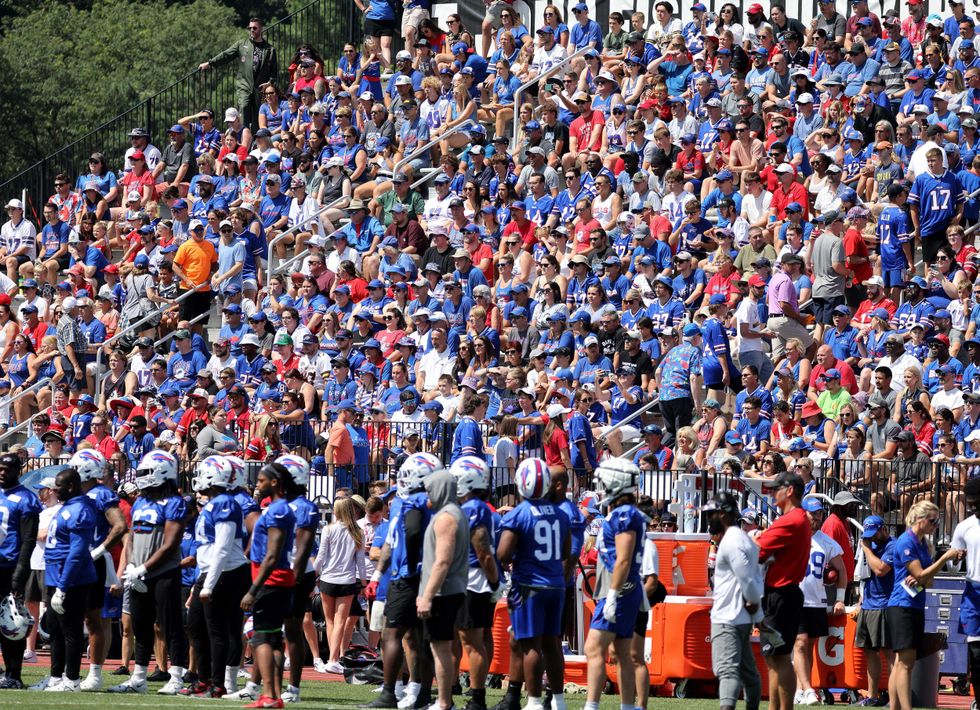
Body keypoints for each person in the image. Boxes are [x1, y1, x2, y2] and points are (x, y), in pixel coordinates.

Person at [361, 452, 440, 710]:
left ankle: (390, 694)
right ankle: (420, 693)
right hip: (413, 574)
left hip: (408, 576)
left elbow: (413, 533)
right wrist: (376, 575)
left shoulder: (413, 502)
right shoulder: (407, 502)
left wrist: (413, 569)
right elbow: (391, 542)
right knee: (417, 637)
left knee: (393, 634)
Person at [109, 451, 189, 695]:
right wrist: (133, 565)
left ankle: (176, 677)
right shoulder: (142, 501)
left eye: (145, 473)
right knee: (140, 626)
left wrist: (145, 567)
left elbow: (171, 543)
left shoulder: (174, 502)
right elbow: (132, 536)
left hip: (164, 573)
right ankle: (139, 677)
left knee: (170, 626)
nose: (141, 477)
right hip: (138, 574)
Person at [496, 458, 570, 710]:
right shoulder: (560, 513)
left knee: (530, 644)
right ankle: (559, 700)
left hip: (529, 584)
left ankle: (535, 700)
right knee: (552, 644)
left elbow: (504, 554)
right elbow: (567, 550)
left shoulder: (518, 514)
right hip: (555, 583)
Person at [583, 458, 645, 710]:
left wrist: (610, 595)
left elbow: (623, 559)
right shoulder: (624, 513)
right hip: (625, 590)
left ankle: (591, 706)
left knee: (594, 648)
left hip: (620, 590)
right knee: (621, 653)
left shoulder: (624, 515)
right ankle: (628, 707)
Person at [887, 501, 960, 710]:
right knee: (906, 662)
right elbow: (921, 575)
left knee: (902, 662)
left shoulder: (921, 544)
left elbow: (928, 581)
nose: (936, 525)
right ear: (920, 519)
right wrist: (944, 557)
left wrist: (923, 576)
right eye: (933, 520)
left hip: (914, 605)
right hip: (902, 605)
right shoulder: (906, 542)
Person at [188, 456, 250, 699]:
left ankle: (218, 683)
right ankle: (203, 679)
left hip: (226, 573)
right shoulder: (214, 503)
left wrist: (208, 585)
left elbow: (223, 548)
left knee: (217, 630)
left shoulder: (225, 503)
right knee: (195, 626)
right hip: (210, 572)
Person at [241, 462, 297, 710]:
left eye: (262, 480)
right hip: (275, 581)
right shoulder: (276, 508)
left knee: (261, 638)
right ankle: (273, 695)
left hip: (271, 582)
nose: (258, 484)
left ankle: (268, 694)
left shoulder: (278, 511)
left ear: (274, 483)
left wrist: (253, 590)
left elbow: (272, 555)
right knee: (273, 639)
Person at [73, 449, 128, 693]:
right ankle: (65, 674)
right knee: (74, 618)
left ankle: (94, 674)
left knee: (94, 618)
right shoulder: (79, 494)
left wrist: (99, 550)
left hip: (93, 562)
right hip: (76, 560)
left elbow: (119, 526)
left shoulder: (101, 493)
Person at [755, 471, 811, 710]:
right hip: (780, 594)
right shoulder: (794, 518)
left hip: (781, 594)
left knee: (778, 657)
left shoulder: (791, 519)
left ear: (789, 491)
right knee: (774, 657)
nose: (771, 492)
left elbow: (756, 550)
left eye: (776, 488)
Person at [704, 491, 763, 710]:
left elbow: (746, 578)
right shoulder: (742, 539)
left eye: (712, 514)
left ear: (723, 514)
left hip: (728, 615)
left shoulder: (732, 541)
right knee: (749, 673)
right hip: (740, 616)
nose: (709, 519)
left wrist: (752, 601)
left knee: (726, 670)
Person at [450, 456, 500, 710]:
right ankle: (460, 689)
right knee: (464, 638)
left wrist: (493, 580)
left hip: (472, 580)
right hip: (468, 578)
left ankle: (477, 696)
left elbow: (482, 549)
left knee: (472, 641)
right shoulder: (476, 507)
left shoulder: (474, 508)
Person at [42, 468, 98, 693]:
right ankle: (56, 677)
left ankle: (72, 679)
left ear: (72, 486)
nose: (55, 490)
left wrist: (63, 587)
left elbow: (76, 552)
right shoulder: (66, 508)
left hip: (71, 579)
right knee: (54, 628)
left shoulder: (80, 510)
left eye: (59, 486)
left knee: (71, 630)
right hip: (56, 574)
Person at [417, 470, 469, 710]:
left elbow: (442, 561)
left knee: (440, 649)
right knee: (440, 648)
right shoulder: (451, 514)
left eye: (430, 488)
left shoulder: (446, 518)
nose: (427, 493)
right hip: (448, 590)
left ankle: (444, 702)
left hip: (443, 593)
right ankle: (443, 701)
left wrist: (427, 596)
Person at [793, 497, 846, 706]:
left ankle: (800, 689)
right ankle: (807, 689)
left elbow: (841, 570)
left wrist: (840, 599)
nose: (817, 517)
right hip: (795, 599)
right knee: (800, 644)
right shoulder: (793, 536)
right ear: (803, 513)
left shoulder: (827, 542)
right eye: (813, 513)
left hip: (816, 600)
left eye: (819, 513)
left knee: (809, 647)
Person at [0, 453, 41, 689]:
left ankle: (14, 674)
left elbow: (28, 539)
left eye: (8, 469)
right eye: (0, 468)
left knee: (10, 622)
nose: (3, 473)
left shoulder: (26, 499)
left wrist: (20, 571)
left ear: (18, 470)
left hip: (10, 565)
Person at [199, 19, 279, 130]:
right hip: (244, 86)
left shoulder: (269, 49)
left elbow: (274, 72)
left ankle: (256, 142)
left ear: (261, 29)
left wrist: (269, 83)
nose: (251, 30)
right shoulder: (242, 44)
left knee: (257, 116)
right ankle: (243, 139)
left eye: (254, 28)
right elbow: (226, 55)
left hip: (260, 89)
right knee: (244, 109)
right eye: (249, 28)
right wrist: (210, 63)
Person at [855, 515, 894, 707]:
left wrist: (867, 549)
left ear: (883, 529)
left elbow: (880, 570)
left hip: (884, 605)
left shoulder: (891, 546)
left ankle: (896, 698)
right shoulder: (869, 546)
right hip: (868, 604)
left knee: (889, 653)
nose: (870, 538)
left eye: (874, 533)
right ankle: (872, 696)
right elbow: (864, 574)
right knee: (869, 652)